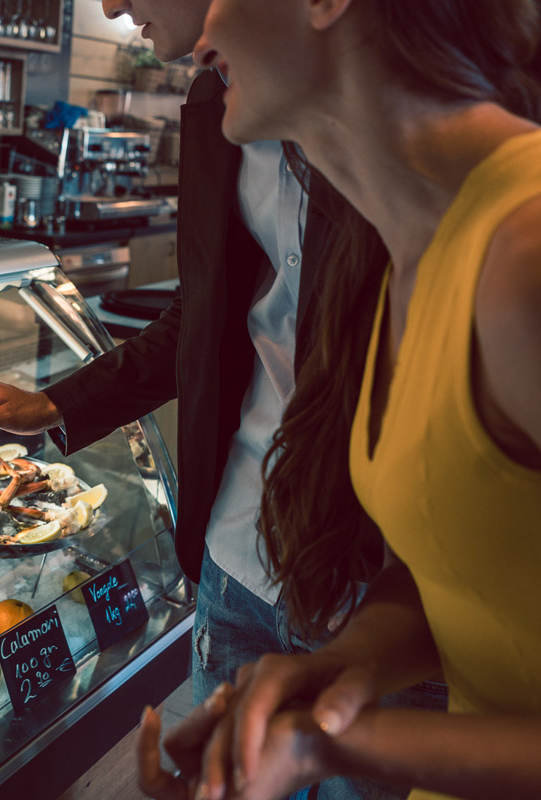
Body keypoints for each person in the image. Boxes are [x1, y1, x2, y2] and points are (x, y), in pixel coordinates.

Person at [0, 4, 440, 797]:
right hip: (235, 559)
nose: (107, 6)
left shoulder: (440, 153)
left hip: (387, 601)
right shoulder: (218, 100)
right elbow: (202, 319)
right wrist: (52, 406)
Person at [134, 0, 541, 798]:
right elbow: (478, 570)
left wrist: (344, 748)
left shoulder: (524, 255)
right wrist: (343, 667)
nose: (205, 25)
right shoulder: (404, 253)